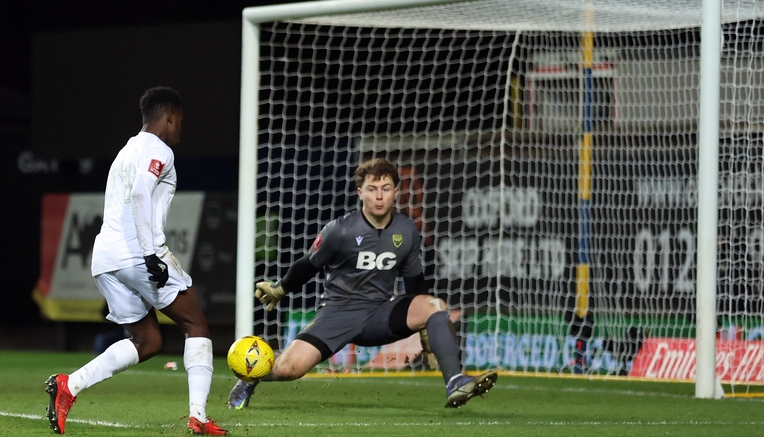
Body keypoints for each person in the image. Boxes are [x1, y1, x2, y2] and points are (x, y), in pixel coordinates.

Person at [228, 158, 497, 410]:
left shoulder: (407, 231)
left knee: (435, 305)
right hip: (338, 312)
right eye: (372, 189)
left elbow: (415, 284)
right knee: (289, 369)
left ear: (395, 193)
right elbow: (309, 264)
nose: (379, 196)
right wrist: (280, 288)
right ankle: (254, 375)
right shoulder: (340, 230)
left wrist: (427, 334)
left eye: (385, 188)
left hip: (380, 313)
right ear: (360, 192)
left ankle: (454, 382)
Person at [45, 87, 228, 436]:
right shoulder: (159, 150)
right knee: (196, 325)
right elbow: (142, 191)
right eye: (181, 122)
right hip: (137, 254)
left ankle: (70, 385)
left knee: (149, 341)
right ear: (170, 116)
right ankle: (199, 416)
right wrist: (149, 253)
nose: (180, 130)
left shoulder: (126, 150)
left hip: (106, 258)